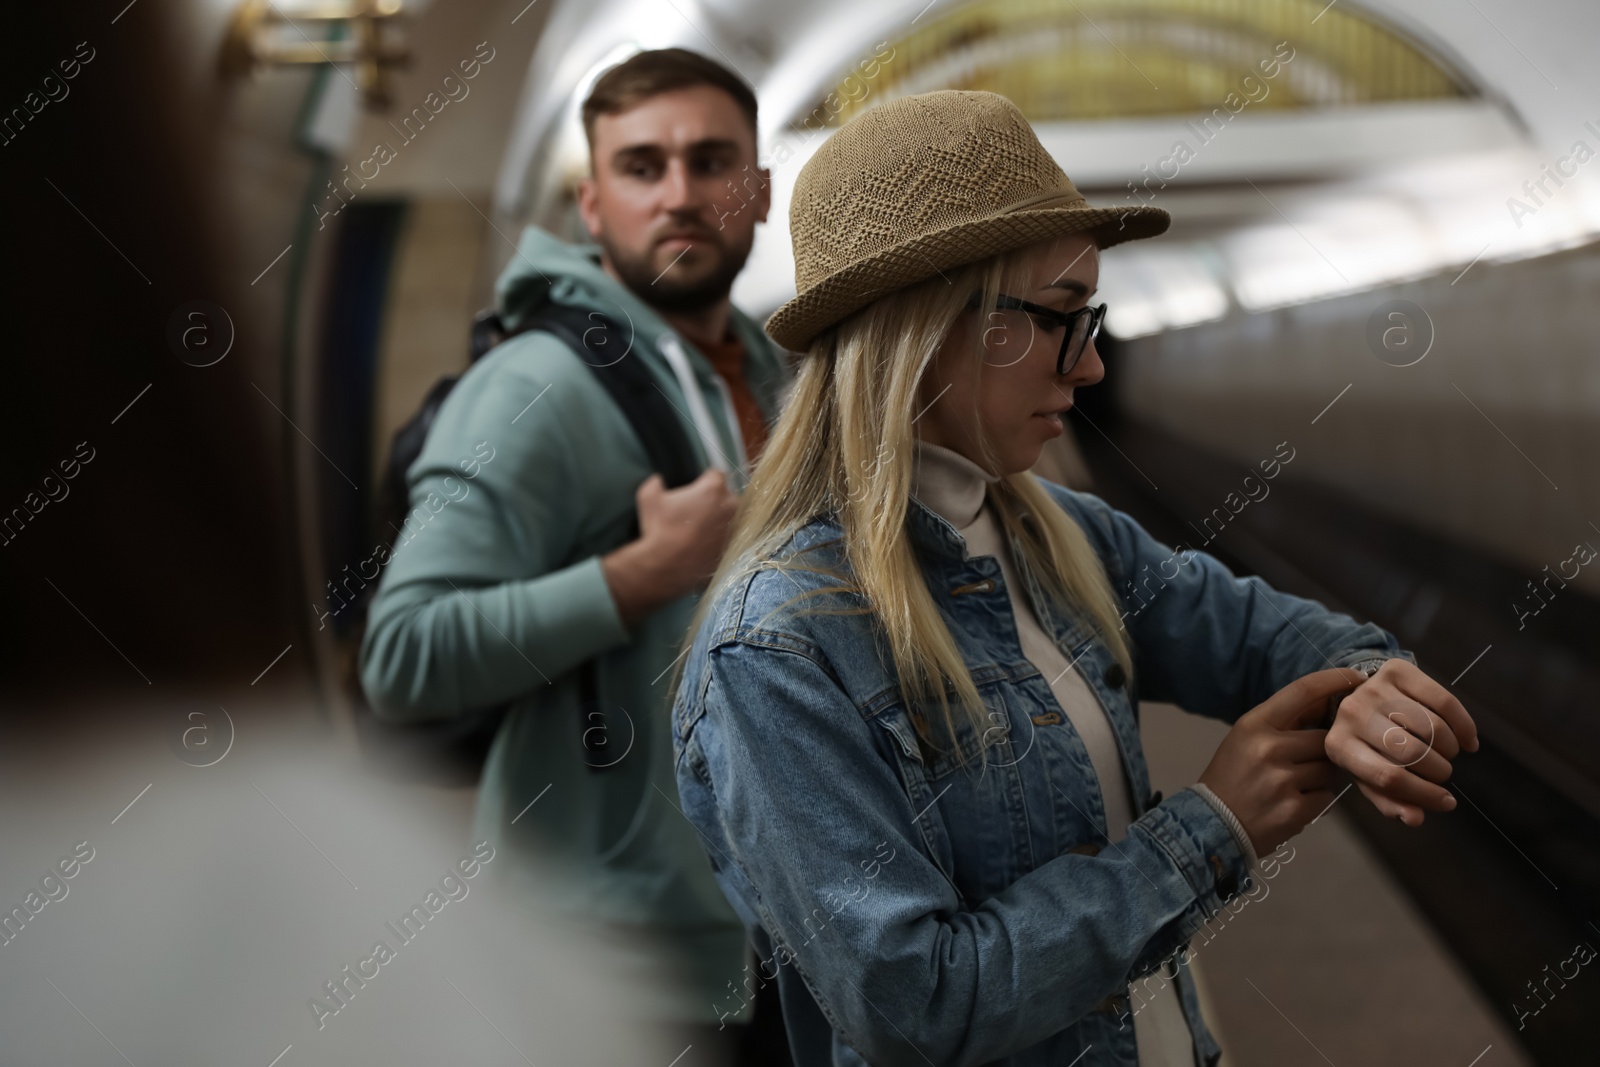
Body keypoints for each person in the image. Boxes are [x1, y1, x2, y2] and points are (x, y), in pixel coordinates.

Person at [669, 90, 1479, 1067]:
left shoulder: (1064, 539)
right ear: (924, 327)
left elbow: (1259, 634)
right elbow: (911, 1002)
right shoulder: (781, 645)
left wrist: (1366, 684)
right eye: (1061, 318)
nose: (1091, 366)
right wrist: (1206, 831)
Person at [359, 48, 792, 1065]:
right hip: (614, 960)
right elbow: (404, 656)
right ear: (591, 206)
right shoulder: (529, 389)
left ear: (761, 190)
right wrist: (640, 573)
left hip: (772, 936)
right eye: (642, 167)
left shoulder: (775, 379)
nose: (679, 194)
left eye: (711, 161)